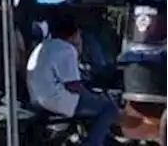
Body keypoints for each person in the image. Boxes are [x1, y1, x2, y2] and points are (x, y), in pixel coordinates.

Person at [26, 13, 118, 146]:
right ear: (75, 33)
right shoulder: (66, 49)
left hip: (37, 98)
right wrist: (93, 97)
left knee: (95, 104)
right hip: (55, 100)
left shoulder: (43, 46)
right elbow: (73, 85)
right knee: (109, 108)